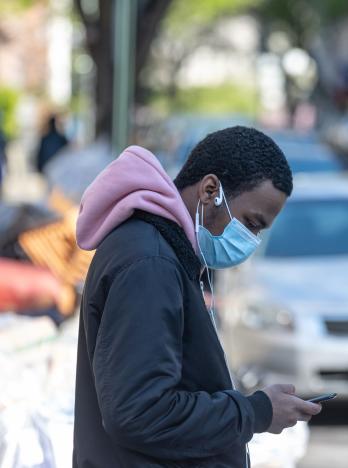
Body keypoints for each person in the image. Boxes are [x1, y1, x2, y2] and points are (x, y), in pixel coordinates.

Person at [72, 126, 321, 467]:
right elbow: (141, 412)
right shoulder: (150, 264)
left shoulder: (161, 251)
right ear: (209, 190)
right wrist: (255, 412)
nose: (250, 240)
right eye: (250, 223)